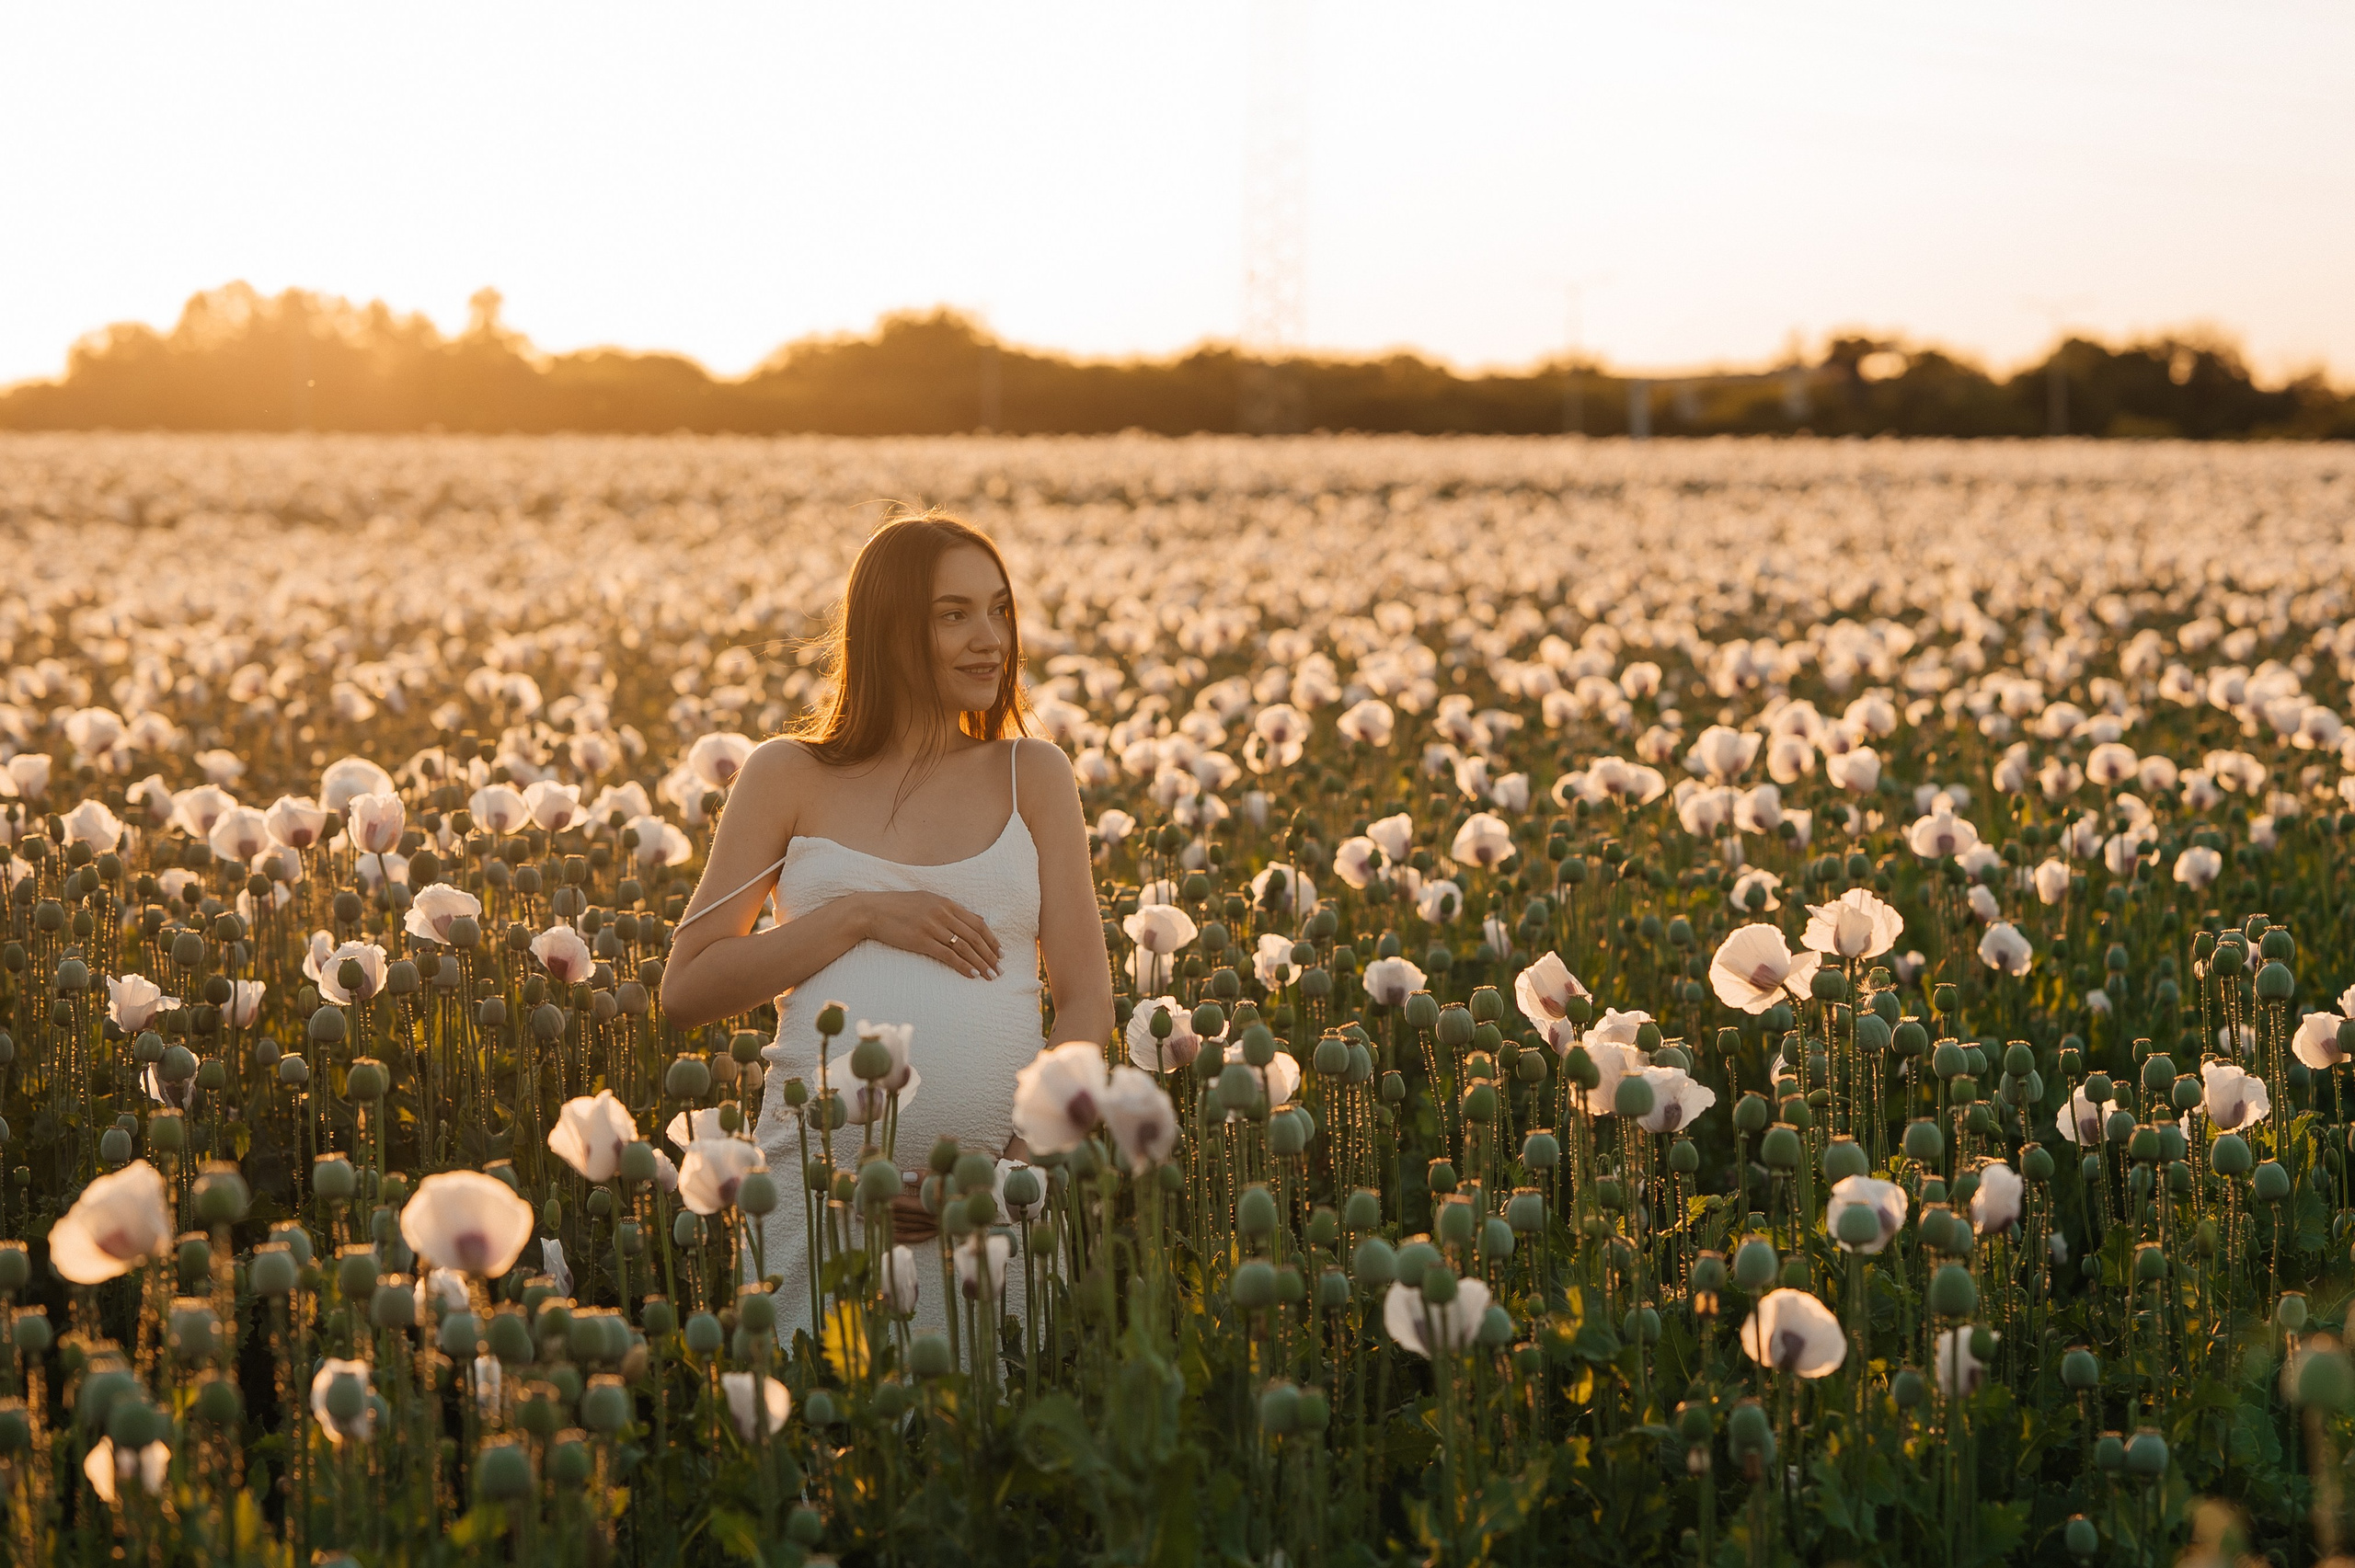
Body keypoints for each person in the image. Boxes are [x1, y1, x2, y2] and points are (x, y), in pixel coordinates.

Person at [660, 509, 1112, 1343]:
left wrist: (1008, 1171)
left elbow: (1087, 1005)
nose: (991, 640)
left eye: (1001, 609)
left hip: (994, 1210)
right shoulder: (786, 774)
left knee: (986, 1435)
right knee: (819, 1428)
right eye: (954, 614)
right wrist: (859, 914)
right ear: (889, 629)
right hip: (820, 1193)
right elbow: (685, 989)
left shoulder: (1033, 774)